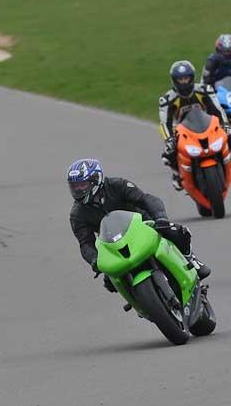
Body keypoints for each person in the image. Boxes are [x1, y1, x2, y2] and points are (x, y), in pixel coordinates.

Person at [67, 158, 210, 295]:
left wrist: (160, 218)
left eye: (82, 185)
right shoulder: (77, 214)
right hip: (113, 244)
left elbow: (146, 199)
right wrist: (95, 259)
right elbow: (85, 243)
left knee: (175, 231)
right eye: (75, 186)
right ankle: (137, 299)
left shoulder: (117, 185)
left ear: (96, 179)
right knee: (110, 281)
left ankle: (191, 259)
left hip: (143, 225)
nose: (78, 190)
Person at [159, 60, 229, 191]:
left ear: (192, 78)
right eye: (180, 79)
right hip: (182, 131)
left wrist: (225, 125)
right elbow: (164, 123)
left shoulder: (204, 90)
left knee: (228, 136)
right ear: (174, 81)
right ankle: (176, 173)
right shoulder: (167, 99)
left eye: (186, 78)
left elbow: (218, 110)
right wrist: (169, 140)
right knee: (168, 152)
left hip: (207, 126)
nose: (184, 82)